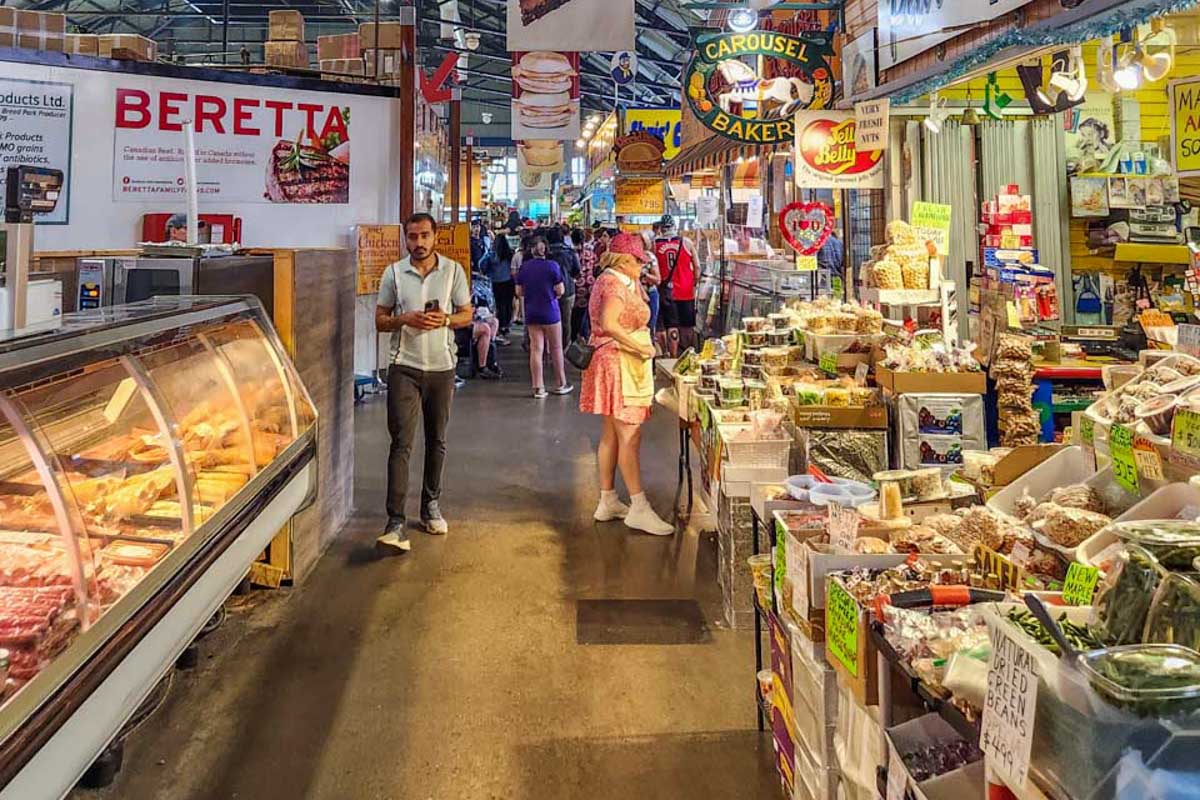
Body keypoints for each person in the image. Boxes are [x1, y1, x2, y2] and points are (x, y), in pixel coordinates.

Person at [374, 213, 473, 552]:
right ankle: (395, 522)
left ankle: (431, 505)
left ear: (435, 237)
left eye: (424, 236)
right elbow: (381, 320)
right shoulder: (393, 274)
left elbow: (467, 313)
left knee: (437, 440)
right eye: (413, 236)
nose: (419, 243)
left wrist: (445, 319)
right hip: (404, 366)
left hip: (442, 368)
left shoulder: (454, 271)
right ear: (406, 238)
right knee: (401, 442)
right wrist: (404, 319)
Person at [580, 233, 673, 536]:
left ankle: (608, 499)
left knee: (611, 434)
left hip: (610, 363)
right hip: (620, 364)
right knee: (629, 436)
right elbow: (609, 323)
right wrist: (639, 347)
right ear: (624, 260)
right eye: (638, 262)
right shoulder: (614, 285)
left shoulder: (614, 280)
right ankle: (639, 507)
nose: (642, 268)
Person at [516, 235, 573, 399]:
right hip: (551, 312)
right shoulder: (553, 266)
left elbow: (519, 292)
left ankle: (538, 387)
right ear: (545, 249)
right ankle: (561, 383)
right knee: (556, 348)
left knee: (536, 349)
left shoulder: (524, 267)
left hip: (532, 311)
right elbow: (560, 290)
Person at [653, 215, 699, 357]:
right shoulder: (687, 243)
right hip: (686, 291)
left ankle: (670, 355)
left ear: (661, 228)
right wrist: (694, 283)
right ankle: (687, 353)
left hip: (665, 292)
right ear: (674, 226)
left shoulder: (654, 245)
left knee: (669, 325)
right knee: (687, 326)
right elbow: (697, 266)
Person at [546, 226, 581, 347]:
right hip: (567, 289)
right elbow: (577, 271)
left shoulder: (545, 253)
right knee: (566, 321)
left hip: (548, 291)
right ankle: (564, 347)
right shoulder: (570, 252)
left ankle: (551, 346)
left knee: (549, 320)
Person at [480, 234, 516, 341]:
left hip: (496, 282)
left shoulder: (491, 255)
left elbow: (481, 264)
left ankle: (500, 325)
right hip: (509, 282)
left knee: (499, 305)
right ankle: (507, 324)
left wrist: (487, 272)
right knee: (508, 304)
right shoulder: (510, 254)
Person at [470, 270, 502, 379]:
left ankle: (490, 360)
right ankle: (482, 366)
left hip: (471, 316)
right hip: (458, 322)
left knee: (494, 322)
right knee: (485, 329)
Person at [571, 228, 596, 342]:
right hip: (589, 285)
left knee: (575, 315)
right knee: (585, 314)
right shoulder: (590, 252)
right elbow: (595, 265)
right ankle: (584, 338)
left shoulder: (571, 253)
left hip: (576, 286)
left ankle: (575, 338)